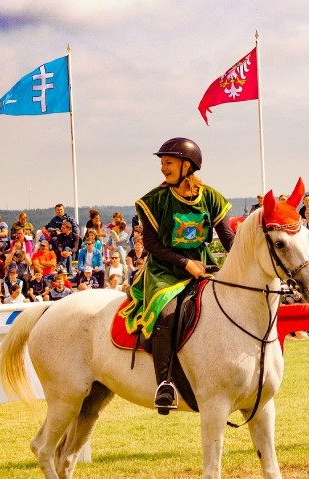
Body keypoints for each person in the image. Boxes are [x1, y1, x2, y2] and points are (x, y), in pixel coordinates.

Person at [119, 138, 235, 414]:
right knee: (169, 312)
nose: (163, 168)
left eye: (168, 163)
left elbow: (229, 239)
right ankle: (164, 384)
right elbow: (151, 245)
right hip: (164, 272)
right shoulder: (153, 201)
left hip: (203, 266)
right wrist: (185, 263)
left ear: (187, 165)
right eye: (162, 163)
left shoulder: (211, 197)